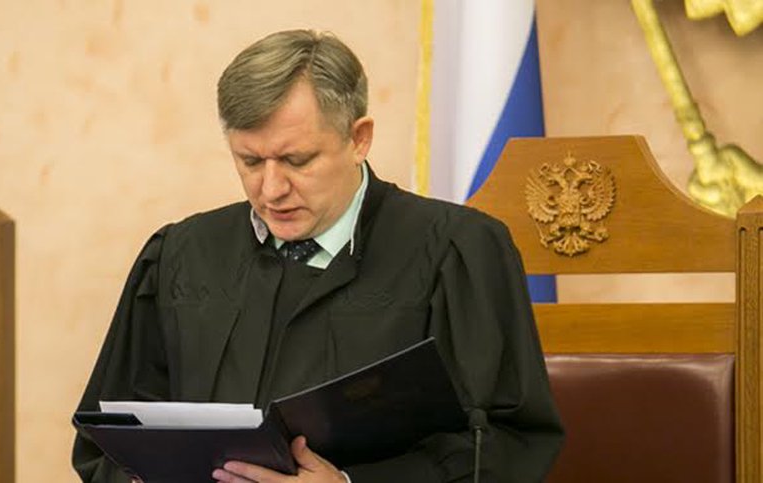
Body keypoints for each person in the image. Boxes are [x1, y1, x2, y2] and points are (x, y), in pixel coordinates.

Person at [72, 29, 563, 483]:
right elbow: (105, 440)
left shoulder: (456, 252)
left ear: (359, 139)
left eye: (296, 160)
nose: (271, 189)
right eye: (249, 161)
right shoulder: (180, 256)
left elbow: (507, 445)